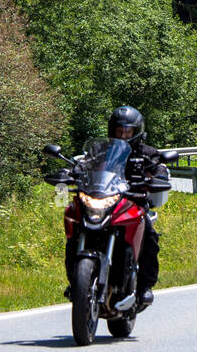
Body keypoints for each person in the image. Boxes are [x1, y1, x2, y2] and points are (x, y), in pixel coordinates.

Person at [64, 105, 163, 311]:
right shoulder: (100, 150)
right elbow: (84, 164)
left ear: (136, 132)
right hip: (103, 199)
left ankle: (145, 286)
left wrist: (158, 176)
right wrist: (69, 172)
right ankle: (76, 283)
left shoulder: (147, 153)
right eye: (119, 130)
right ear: (112, 130)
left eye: (128, 131)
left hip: (132, 201)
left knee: (150, 235)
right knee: (75, 230)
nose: (124, 134)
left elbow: (159, 168)